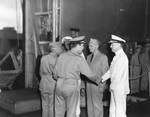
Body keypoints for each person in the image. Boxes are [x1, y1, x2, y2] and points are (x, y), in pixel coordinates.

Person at [54, 36, 99, 117]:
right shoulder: (79, 59)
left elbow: (55, 73)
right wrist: (98, 80)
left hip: (59, 84)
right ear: (77, 45)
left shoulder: (62, 56)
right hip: (71, 85)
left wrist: (61, 79)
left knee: (58, 112)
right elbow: (89, 74)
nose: (83, 48)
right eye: (82, 46)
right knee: (71, 112)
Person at [101, 35, 130, 117]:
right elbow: (111, 71)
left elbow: (118, 76)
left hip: (119, 89)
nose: (110, 46)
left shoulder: (122, 58)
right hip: (114, 88)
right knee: (112, 110)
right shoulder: (116, 57)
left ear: (118, 44)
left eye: (112, 44)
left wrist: (111, 86)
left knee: (120, 112)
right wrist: (102, 78)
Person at [39, 42, 63, 117]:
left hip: (43, 84)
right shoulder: (58, 59)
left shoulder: (43, 58)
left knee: (44, 106)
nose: (61, 50)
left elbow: (40, 72)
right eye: (60, 49)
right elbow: (59, 74)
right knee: (52, 106)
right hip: (53, 85)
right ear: (54, 49)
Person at [86, 38, 109, 117]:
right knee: (89, 106)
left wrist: (102, 87)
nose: (89, 47)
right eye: (89, 45)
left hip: (97, 85)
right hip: (88, 85)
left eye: (91, 45)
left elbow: (105, 74)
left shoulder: (103, 57)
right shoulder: (88, 57)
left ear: (97, 46)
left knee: (97, 106)